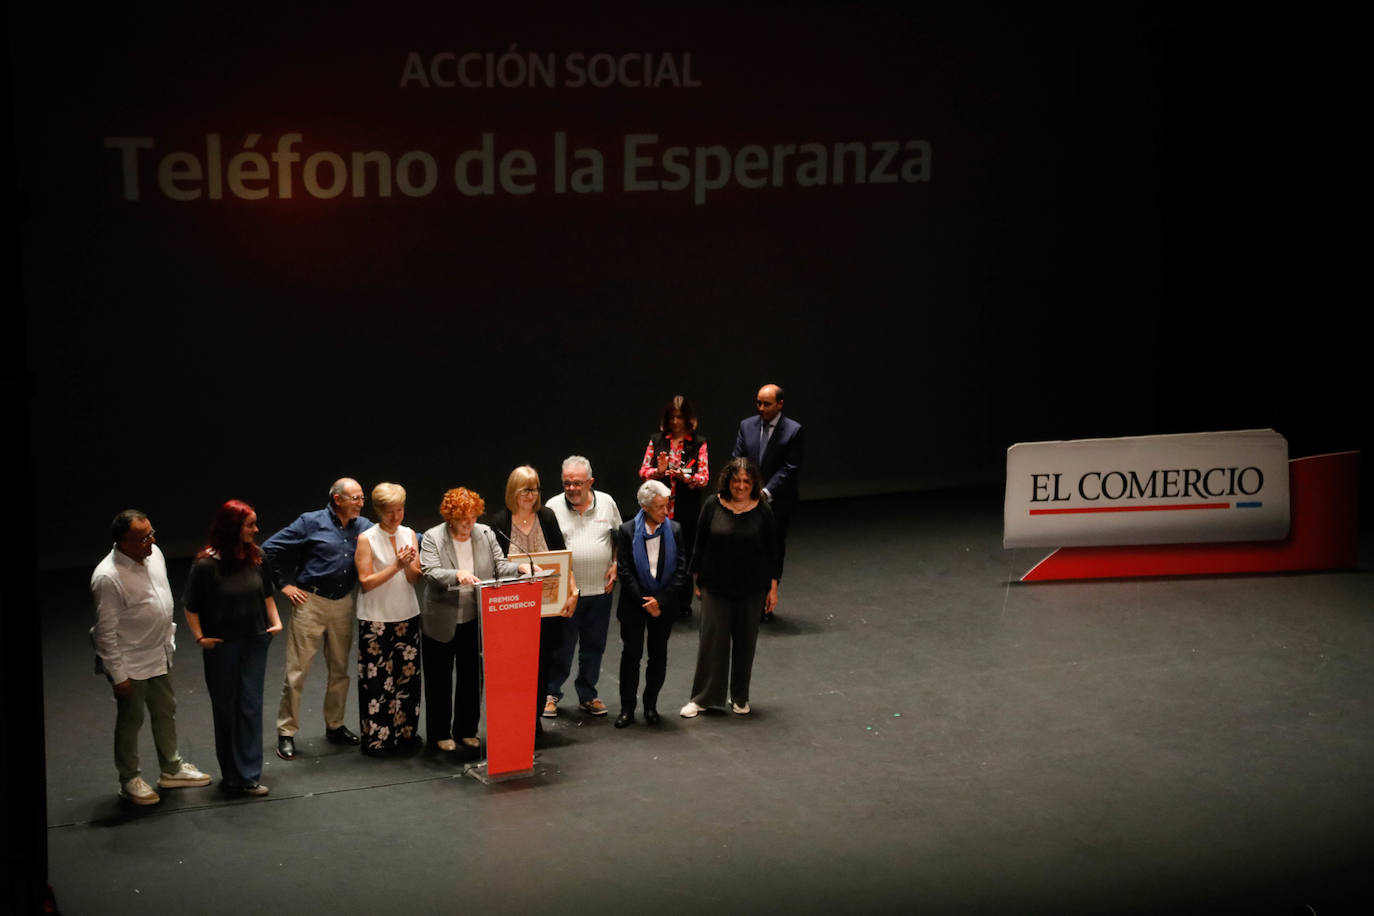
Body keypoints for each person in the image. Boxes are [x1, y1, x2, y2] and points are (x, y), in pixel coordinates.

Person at [91, 510, 211, 805]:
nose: (152, 540)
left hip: (158, 654)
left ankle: (171, 768)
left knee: (165, 711)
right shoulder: (108, 577)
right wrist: (117, 675)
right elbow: (104, 633)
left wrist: (167, 641)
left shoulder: (154, 553)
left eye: (151, 532)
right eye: (144, 537)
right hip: (130, 662)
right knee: (131, 721)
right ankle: (129, 779)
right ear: (123, 542)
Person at [262, 478, 372, 760]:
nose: (361, 503)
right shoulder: (311, 522)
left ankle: (334, 725)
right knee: (297, 670)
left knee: (340, 670)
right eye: (356, 498)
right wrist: (283, 584)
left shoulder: (363, 526)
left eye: (362, 498)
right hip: (311, 602)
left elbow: (394, 534)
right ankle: (286, 732)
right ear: (338, 499)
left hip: (343, 603)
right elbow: (268, 549)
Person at [182, 500, 283, 796]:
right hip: (223, 646)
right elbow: (191, 607)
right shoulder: (205, 565)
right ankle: (232, 775)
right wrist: (201, 638)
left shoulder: (256, 557)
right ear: (233, 528)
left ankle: (250, 775)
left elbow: (266, 595)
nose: (256, 529)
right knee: (226, 708)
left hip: (255, 642)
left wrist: (275, 623)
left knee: (250, 706)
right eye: (250, 524)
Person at [418, 487, 523, 755]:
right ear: (450, 517)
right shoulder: (433, 537)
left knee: (471, 677)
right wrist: (457, 575)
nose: (469, 524)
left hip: (475, 618)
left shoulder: (485, 534)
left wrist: (521, 568)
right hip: (442, 619)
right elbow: (430, 571)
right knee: (439, 680)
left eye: (474, 517)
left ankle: (466, 730)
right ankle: (440, 733)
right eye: (463, 519)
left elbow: (500, 566)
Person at [680, 457, 778, 719]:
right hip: (715, 586)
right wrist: (696, 580)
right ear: (728, 481)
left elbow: (772, 552)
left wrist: (773, 587)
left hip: (752, 589)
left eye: (747, 481)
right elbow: (698, 545)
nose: (741, 485)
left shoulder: (763, 510)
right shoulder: (712, 505)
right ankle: (703, 698)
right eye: (737, 480)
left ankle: (740, 696)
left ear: (754, 483)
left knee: (746, 643)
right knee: (712, 642)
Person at [486, 466, 578, 736]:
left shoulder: (546, 517)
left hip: (546, 610)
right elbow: (495, 566)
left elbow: (563, 557)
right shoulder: (500, 522)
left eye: (535, 488)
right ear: (513, 491)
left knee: (542, 664)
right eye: (526, 489)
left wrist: (573, 591)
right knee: (515, 667)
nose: (531, 494)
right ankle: (514, 719)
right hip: (513, 612)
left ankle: (534, 719)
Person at [543, 455, 622, 718]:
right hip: (567, 594)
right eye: (567, 483)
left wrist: (615, 563)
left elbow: (619, 536)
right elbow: (546, 550)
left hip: (600, 592)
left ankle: (588, 694)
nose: (572, 489)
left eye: (577, 483)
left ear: (590, 482)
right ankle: (550, 694)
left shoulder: (607, 503)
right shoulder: (552, 507)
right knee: (561, 649)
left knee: (594, 646)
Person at [353, 482, 423, 756]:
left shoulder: (409, 534)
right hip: (376, 618)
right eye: (390, 511)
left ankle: (406, 735)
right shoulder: (367, 538)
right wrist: (396, 565)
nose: (396, 516)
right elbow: (366, 582)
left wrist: (409, 567)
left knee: (407, 679)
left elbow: (415, 578)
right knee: (377, 681)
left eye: (400, 510)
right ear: (379, 511)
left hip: (406, 614)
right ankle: (377, 739)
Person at [613, 480, 687, 728]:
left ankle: (651, 706)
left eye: (667, 506)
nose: (665, 512)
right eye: (659, 507)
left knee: (658, 656)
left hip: (663, 604)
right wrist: (645, 601)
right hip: (635, 603)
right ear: (644, 507)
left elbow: (680, 570)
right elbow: (624, 571)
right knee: (631, 656)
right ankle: (627, 708)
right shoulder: (626, 531)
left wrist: (660, 601)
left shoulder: (674, 530)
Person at [731, 383, 804, 622]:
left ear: (780, 404)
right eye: (758, 403)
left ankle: (766, 602)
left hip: (777, 502)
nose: (761, 408)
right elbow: (738, 458)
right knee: (745, 548)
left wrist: (765, 492)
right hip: (746, 499)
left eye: (767, 404)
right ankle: (745, 599)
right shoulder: (747, 425)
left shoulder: (793, 431)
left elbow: (789, 468)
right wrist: (746, 489)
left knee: (772, 550)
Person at [638, 395, 709, 615]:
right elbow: (643, 472)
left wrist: (684, 477)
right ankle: (659, 599)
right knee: (658, 554)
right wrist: (659, 472)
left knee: (683, 555)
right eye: (673, 417)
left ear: (688, 418)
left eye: (680, 417)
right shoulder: (657, 440)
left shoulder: (698, 443)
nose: (676, 421)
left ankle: (683, 603)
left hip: (686, 509)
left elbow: (704, 477)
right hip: (659, 510)